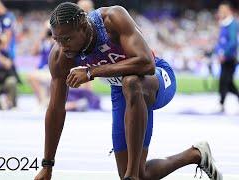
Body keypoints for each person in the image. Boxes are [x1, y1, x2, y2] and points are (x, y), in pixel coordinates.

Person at [34, 3, 222, 180]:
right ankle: (196, 155)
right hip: (123, 91)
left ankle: (131, 175)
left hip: (155, 79)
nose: (63, 46)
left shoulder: (112, 19)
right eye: (57, 39)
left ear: (83, 27)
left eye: (67, 39)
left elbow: (146, 63)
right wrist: (47, 164)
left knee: (131, 82)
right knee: (141, 175)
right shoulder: (61, 55)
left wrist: (92, 72)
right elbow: (56, 109)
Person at [0, 0, 22, 84]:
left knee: (8, 74)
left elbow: (7, 35)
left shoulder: (6, 18)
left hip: (7, 50)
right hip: (6, 50)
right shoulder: (4, 17)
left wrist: (3, 49)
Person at [215, 1, 239, 112]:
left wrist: (223, 54)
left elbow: (233, 42)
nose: (220, 13)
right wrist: (217, 53)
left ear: (228, 11)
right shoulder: (223, 24)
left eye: (222, 10)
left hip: (230, 58)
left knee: (226, 81)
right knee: (225, 81)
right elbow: (220, 42)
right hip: (224, 58)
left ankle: (221, 103)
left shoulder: (233, 24)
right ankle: (221, 103)